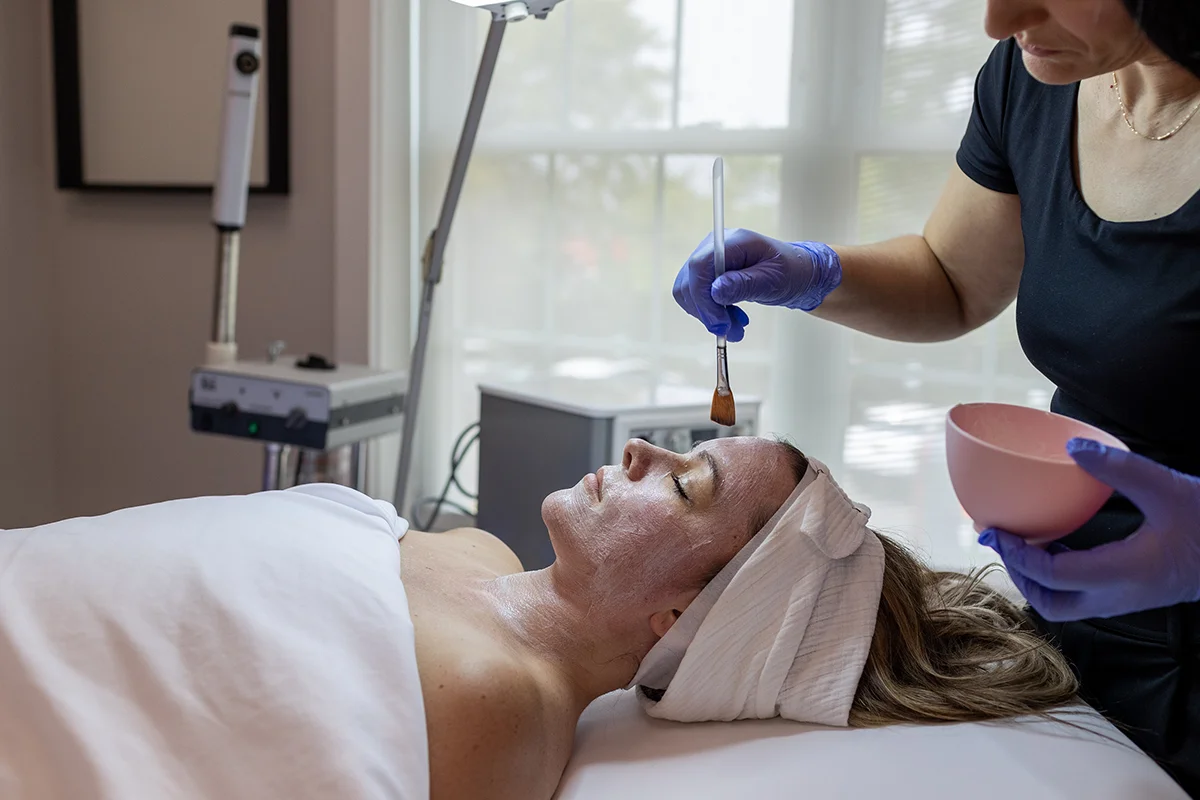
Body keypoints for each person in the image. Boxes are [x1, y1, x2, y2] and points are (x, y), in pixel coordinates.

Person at [672, 0, 1200, 792]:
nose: (999, 19)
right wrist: (813, 272)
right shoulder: (1037, 75)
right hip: (1083, 622)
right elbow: (953, 280)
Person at [0, 436, 1080, 799]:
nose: (646, 452)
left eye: (688, 485)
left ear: (682, 614)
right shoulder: (467, 546)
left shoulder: (501, 713)